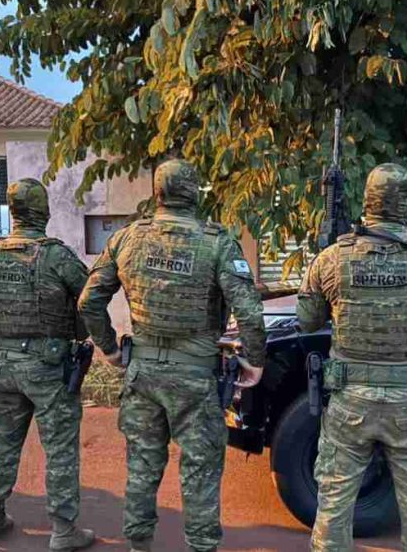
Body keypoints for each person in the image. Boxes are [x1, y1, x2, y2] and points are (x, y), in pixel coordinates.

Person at [79, 159, 266, 552]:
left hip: (142, 374)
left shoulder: (127, 238)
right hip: (195, 379)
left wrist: (109, 349)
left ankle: (138, 545)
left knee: (142, 467)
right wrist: (254, 361)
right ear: (194, 192)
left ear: (157, 192)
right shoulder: (217, 242)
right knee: (200, 471)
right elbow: (249, 311)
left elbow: (88, 301)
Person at [297, 163, 407, 552]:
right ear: (406, 206)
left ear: (368, 202)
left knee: (333, 506)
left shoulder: (333, 258)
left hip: (350, 402)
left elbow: (307, 321)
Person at [0, 178, 94, 551]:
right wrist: (83, 332)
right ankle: (63, 530)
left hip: (3, 363)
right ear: (44, 210)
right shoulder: (56, 256)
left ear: (13, 212)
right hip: (48, 366)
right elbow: (89, 298)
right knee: (60, 448)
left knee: (3, 442)